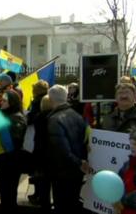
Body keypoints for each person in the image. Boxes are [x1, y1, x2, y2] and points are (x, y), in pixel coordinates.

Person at [46, 84, 89, 214]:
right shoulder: (76, 115)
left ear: (51, 99)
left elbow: (62, 149)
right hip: (76, 170)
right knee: (72, 203)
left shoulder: (54, 119)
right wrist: (81, 162)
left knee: (62, 205)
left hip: (63, 171)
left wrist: (78, 162)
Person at [0, 90, 27, 214]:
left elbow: (15, 140)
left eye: (4, 100)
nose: (1, 102)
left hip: (12, 161)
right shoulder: (7, 115)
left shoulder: (16, 117)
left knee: (8, 191)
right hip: (5, 160)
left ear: (12, 102)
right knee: (5, 191)